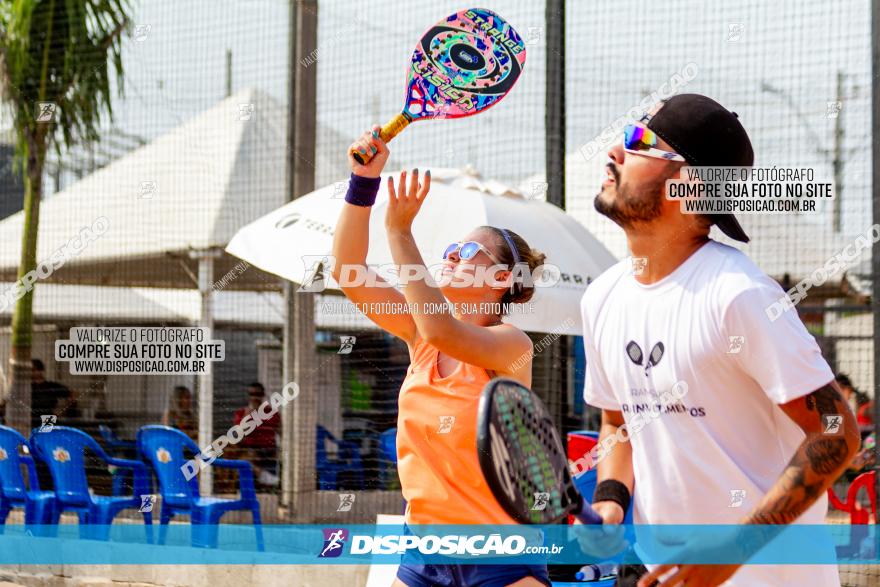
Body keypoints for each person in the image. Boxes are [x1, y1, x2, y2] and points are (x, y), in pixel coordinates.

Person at [579, 94, 859, 586]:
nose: (614, 152)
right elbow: (617, 422)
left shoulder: (739, 297)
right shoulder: (602, 297)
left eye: (639, 142)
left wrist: (735, 551)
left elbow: (836, 431)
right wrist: (610, 499)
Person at [337, 126, 549, 587]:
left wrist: (398, 229)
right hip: (425, 550)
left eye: (468, 252)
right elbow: (348, 273)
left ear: (500, 281)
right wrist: (362, 182)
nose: (452, 255)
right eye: (451, 249)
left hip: (499, 552)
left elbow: (442, 327)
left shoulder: (512, 344)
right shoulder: (420, 336)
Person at [232, 382, 281, 486]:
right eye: (252, 394)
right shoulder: (241, 413)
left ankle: (267, 479)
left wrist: (280, 451)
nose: (255, 397)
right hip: (251, 450)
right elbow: (239, 435)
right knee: (245, 458)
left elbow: (281, 433)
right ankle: (262, 475)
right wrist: (248, 414)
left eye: (258, 394)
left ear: (263, 395)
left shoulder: (273, 413)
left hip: (269, 451)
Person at [30, 359, 75, 431]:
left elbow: (71, 394)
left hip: (47, 419)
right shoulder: (27, 387)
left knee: (45, 439)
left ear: (40, 371)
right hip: (31, 420)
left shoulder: (51, 386)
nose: (31, 373)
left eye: (33, 370)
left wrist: (61, 412)